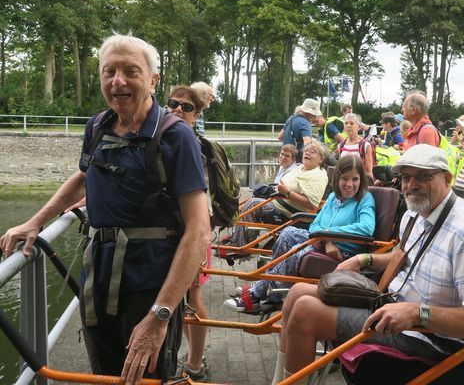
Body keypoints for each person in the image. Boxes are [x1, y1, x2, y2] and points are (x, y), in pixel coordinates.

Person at [0, 35, 210, 384]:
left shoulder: (176, 137)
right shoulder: (97, 126)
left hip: (150, 285)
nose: (118, 80)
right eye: (108, 70)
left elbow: (199, 231)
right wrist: (36, 221)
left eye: (131, 71)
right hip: (96, 280)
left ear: (153, 80)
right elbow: (84, 177)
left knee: (146, 378)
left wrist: (160, 317)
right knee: (105, 376)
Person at [271, 144, 464, 384]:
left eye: (423, 177)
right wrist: (364, 259)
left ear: (447, 179)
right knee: (296, 293)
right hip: (391, 306)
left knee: (306, 313)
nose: (412, 186)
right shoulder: (415, 214)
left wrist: (417, 313)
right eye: (406, 177)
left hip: (429, 339)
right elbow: (401, 255)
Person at [223, 155, 376, 312]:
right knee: (288, 232)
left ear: (361, 180)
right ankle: (272, 290)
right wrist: (327, 239)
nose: (349, 184)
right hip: (325, 242)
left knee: (297, 251)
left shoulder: (365, 199)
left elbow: (366, 228)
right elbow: (316, 224)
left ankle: (258, 292)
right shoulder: (332, 198)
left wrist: (327, 234)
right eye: (345, 179)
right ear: (337, 178)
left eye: (355, 179)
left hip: (343, 252)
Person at [166, 85, 210, 381]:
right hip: (179, 232)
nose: (178, 110)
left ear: (197, 115)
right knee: (185, 297)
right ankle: (191, 358)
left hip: (193, 233)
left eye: (187, 107)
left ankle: (195, 363)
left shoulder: (189, 142)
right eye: (173, 104)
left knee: (193, 298)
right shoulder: (170, 137)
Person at [228, 139, 329, 247]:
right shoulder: (302, 168)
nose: (307, 152)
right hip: (279, 204)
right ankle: (240, 239)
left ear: (321, 159)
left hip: (288, 214)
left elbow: (311, 204)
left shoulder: (318, 175)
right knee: (251, 201)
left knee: (252, 204)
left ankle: (240, 244)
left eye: (312, 151)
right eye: (306, 150)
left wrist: (288, 192)